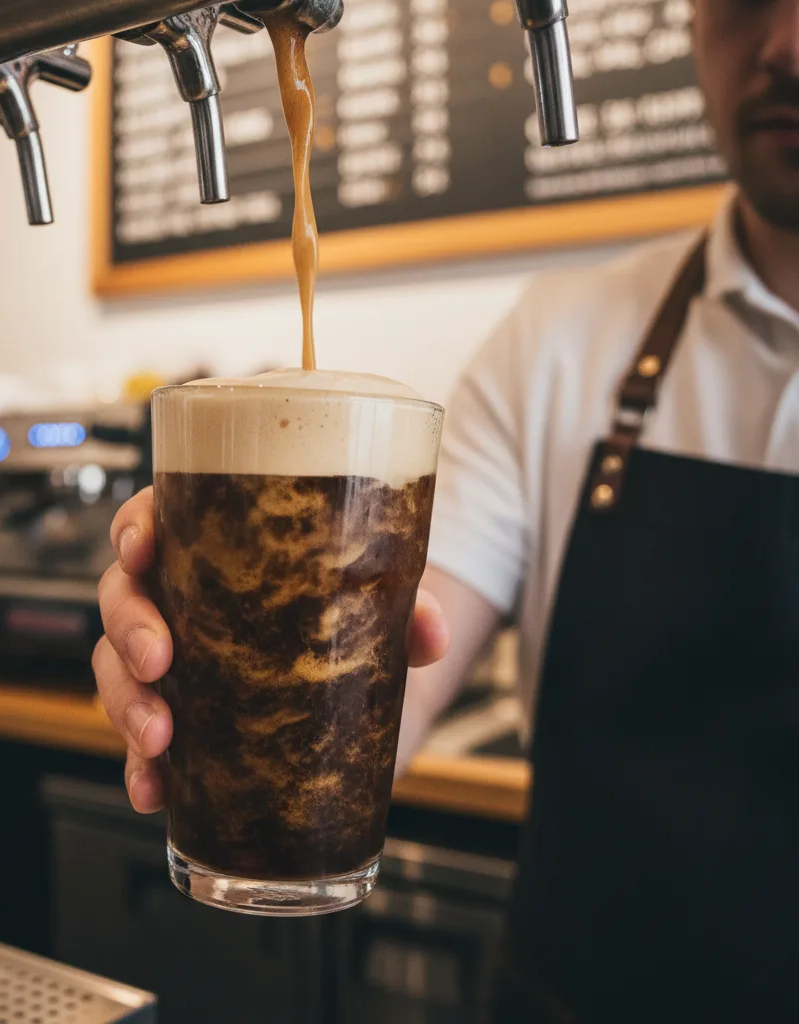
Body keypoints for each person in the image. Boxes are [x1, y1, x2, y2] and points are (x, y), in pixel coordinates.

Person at [94, 0, 799, 1014]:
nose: (779, 47)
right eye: (740, 3)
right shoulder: (560, 342)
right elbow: (391, 655)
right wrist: (192, 649)